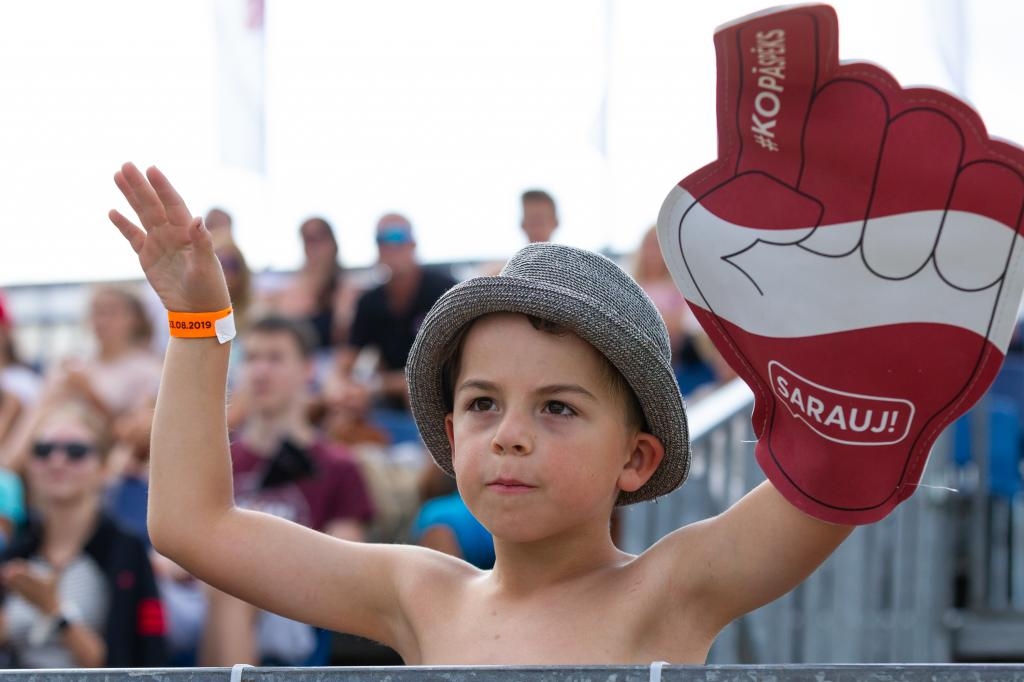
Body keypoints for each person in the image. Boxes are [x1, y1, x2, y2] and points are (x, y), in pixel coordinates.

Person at [108, 163, 854, 664]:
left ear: (635, 457)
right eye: (482, 403)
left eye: (557, 407)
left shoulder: (673, 589)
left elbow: (842, 467)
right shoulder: (418, 593)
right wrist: (199, 326)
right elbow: (191, 526)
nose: (509, 436)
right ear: (451, 430)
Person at [198, 314, 374, 667]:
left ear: (308, 369)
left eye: (275, 358)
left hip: (294, 607)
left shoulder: (338, 466)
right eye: (252, 358)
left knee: (234, 584)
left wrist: (252, 563)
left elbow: (344, 565)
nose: (260, 371)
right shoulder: (216, 460)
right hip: (206, 601)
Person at [0, 397, 166, 668]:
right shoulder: (16, 549)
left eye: (75, 451)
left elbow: (141, 664)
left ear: (104, 467)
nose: (57, 461)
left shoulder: (125, 550)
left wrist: (54, 611)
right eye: (43, 450)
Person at [336, 213, 456, 420]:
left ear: (413, 243)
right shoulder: (370, 302)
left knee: (416, 391)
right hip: (388, 394)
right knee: (344, 406)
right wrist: (340, 387)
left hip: (439, 387)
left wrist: (380, 385)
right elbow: (347, 357)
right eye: (382, 240)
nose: (391, 247)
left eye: (398, 237)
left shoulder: (443, 290)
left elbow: (446, 363)